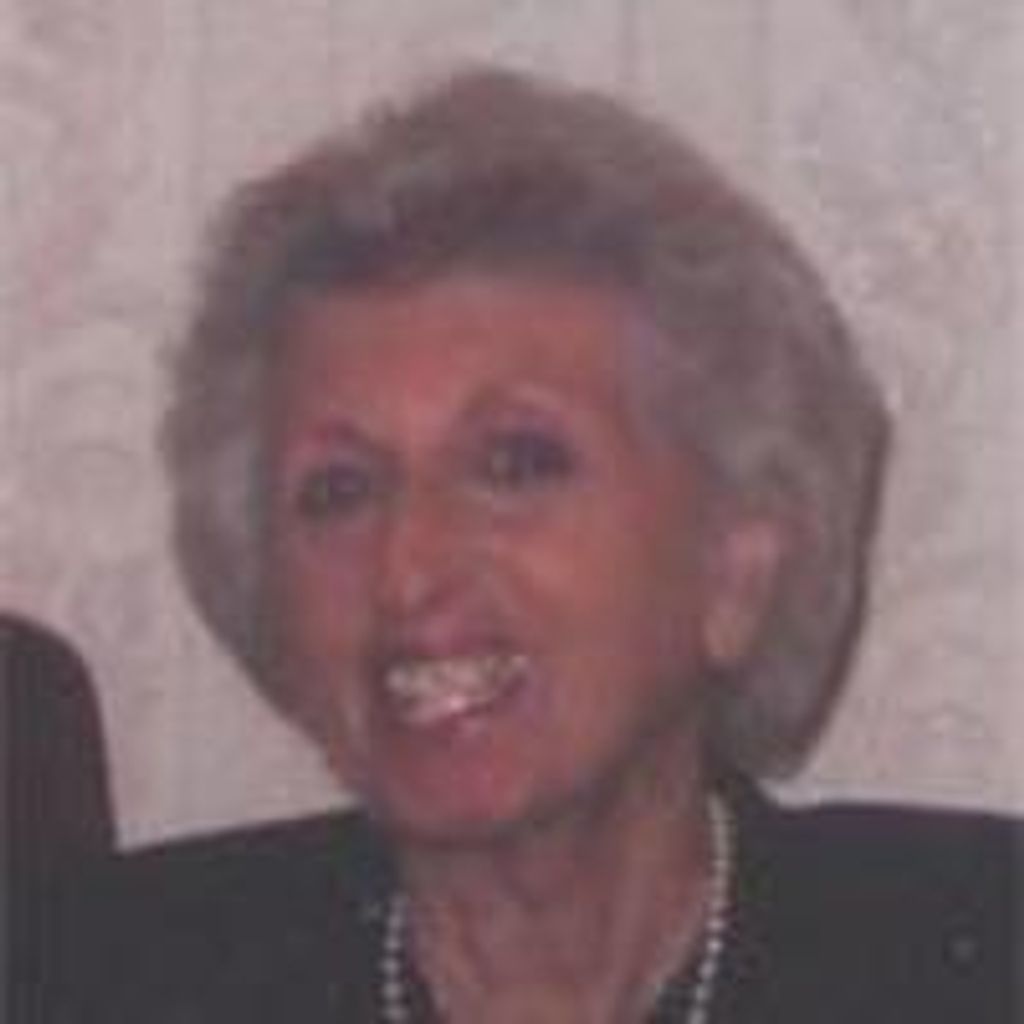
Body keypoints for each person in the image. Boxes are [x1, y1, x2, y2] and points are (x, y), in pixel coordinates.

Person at [46, 68, 1016, 1023]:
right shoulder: (93, 979)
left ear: (734, 568)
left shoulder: (978, 955)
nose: (409, 567)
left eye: (515, 464)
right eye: (339, 490)